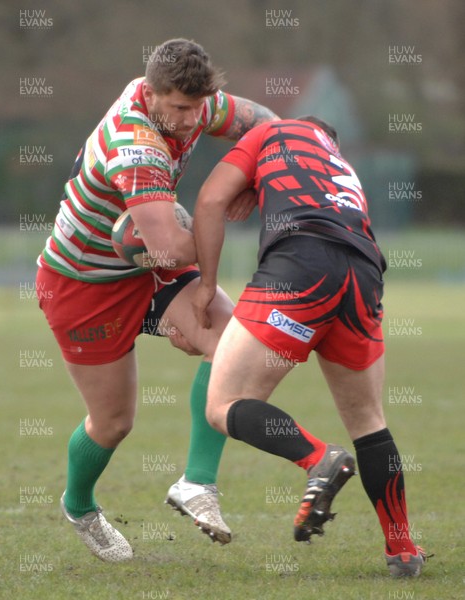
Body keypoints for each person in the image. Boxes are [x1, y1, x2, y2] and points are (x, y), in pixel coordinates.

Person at [36, 38, 278, 562]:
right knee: (114, 421)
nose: (192, 120)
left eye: (197, 107)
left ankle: (197, 484)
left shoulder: (195, 102)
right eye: (179, 108)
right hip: (85, 281)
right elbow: (169, 245)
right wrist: (216, 205)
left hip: (150, 257)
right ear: (150, 94)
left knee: (232, 344)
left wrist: (259, 178)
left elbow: (269, 125)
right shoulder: (136, 142)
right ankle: (79, 506)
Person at [191, 116, 427, 577]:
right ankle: (402, 549)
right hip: (362, 276)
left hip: (299, 266)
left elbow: (210, 199)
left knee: (222, 404)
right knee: (368, 421)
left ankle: (319, 459)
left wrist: (207, 284)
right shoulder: (342, 168)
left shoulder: (274, 130)